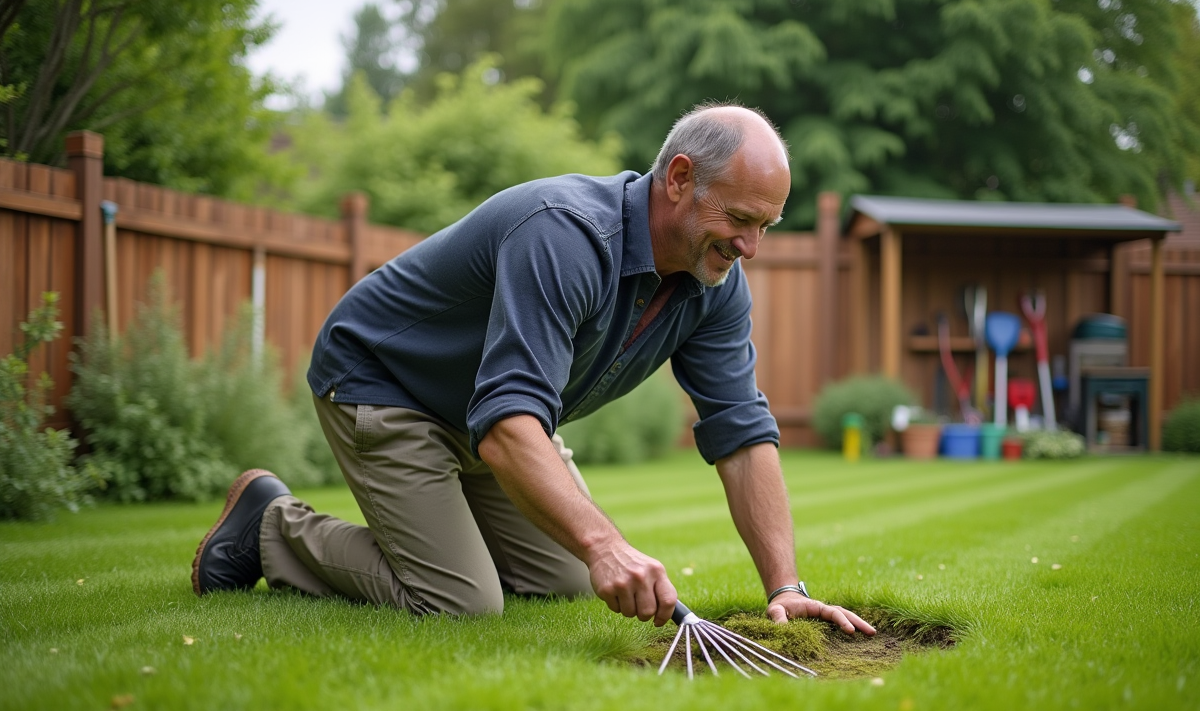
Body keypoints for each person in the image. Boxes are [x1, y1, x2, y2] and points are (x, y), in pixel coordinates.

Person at [192, 103, 875, 636]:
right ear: (678, 179)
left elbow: (742, 433)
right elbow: (508, 424)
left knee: (567, 581)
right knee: (461, 601)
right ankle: (270, 526)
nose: (751, 247)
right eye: (740, 218)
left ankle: (449, 540)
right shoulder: (566, 235)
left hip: (483, 409)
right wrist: (605, 544)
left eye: (767, 226)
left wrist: (786, 587)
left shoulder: (714, 285)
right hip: (386, 381)